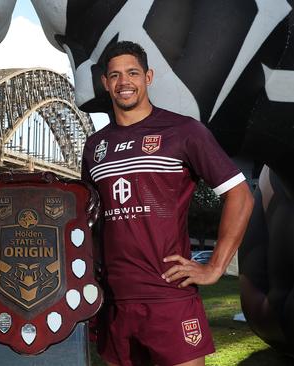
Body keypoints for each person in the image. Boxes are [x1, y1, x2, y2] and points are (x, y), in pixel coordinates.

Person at [81, 41, 254, 366]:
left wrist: (215, 267)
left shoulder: (183, 131)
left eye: (132, 72)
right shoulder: (95, 146)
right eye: (115, 75)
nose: (124, 82)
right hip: (115, 301)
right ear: (105, 83)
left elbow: (240, 195)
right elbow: (90, 219)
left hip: (169, 295)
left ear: (148, 76)